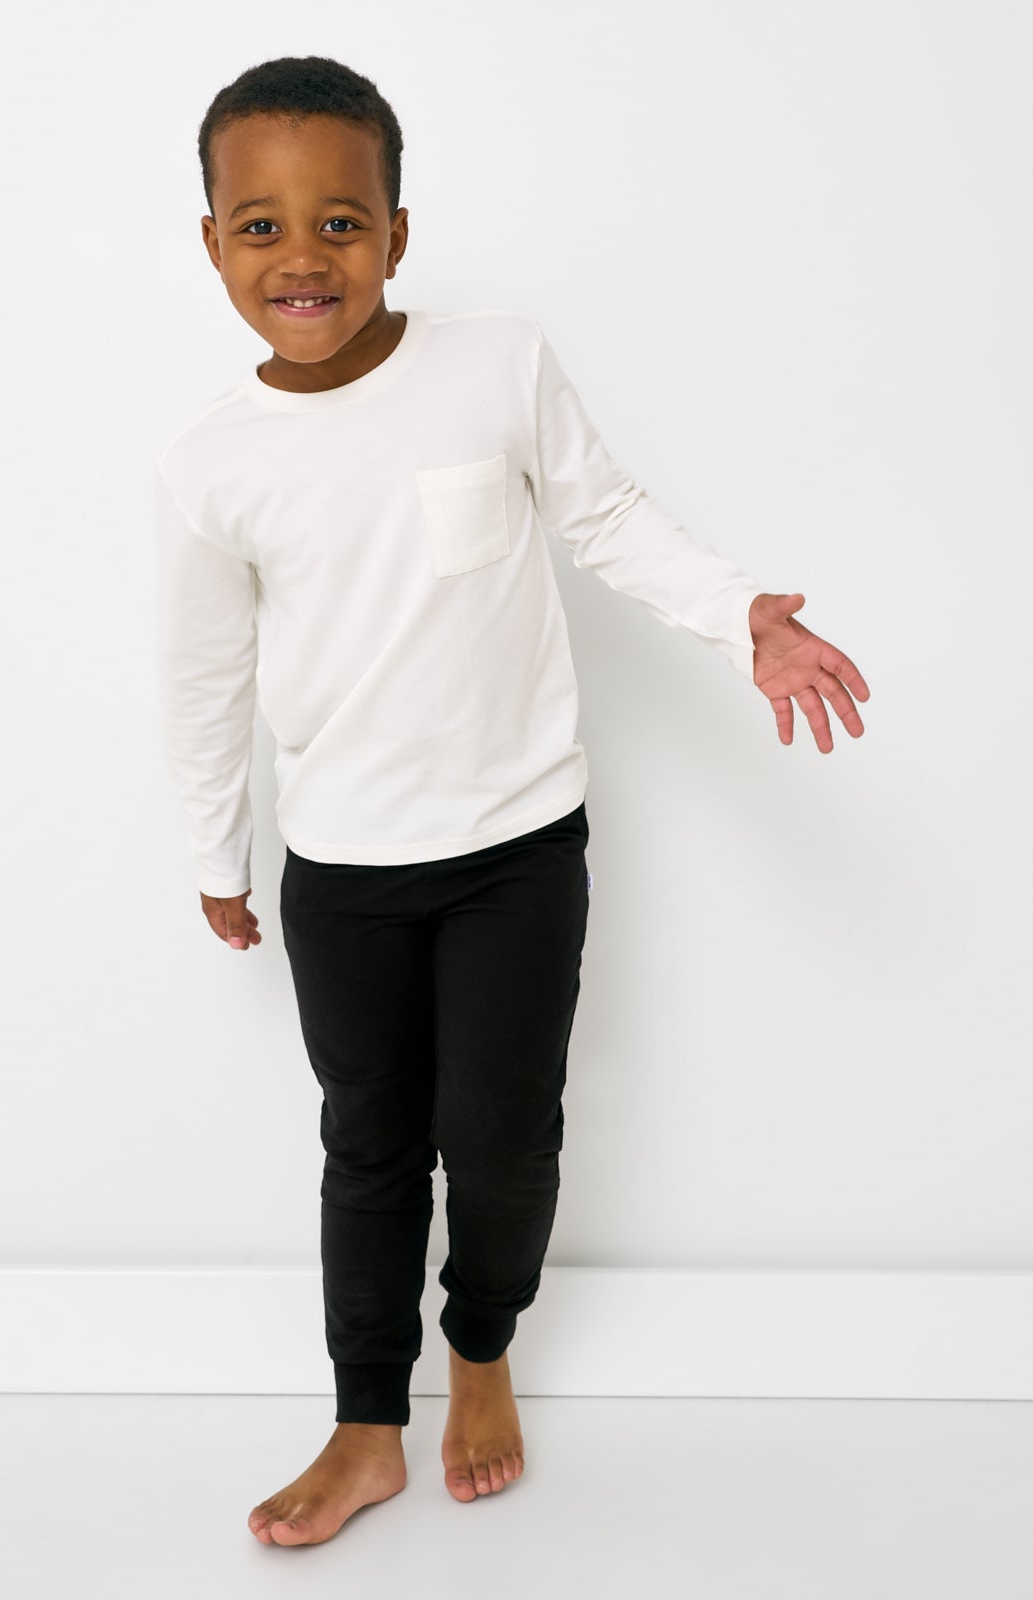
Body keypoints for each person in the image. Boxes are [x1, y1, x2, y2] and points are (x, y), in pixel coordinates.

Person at [154, 55, 869, 1548]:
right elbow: (206, 672)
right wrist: (219, 853)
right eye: (262, 226)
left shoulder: (496, 365)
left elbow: (608, 517)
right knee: (369, 1147)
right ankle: (366, 1424)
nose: (304, 257)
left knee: (501, 1136)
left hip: (515, 850)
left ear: (397, 235)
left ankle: (480, 1352)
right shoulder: (211, 462)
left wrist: (737, 613)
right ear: (214, 244)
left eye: (342, 222)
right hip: (343, 865)